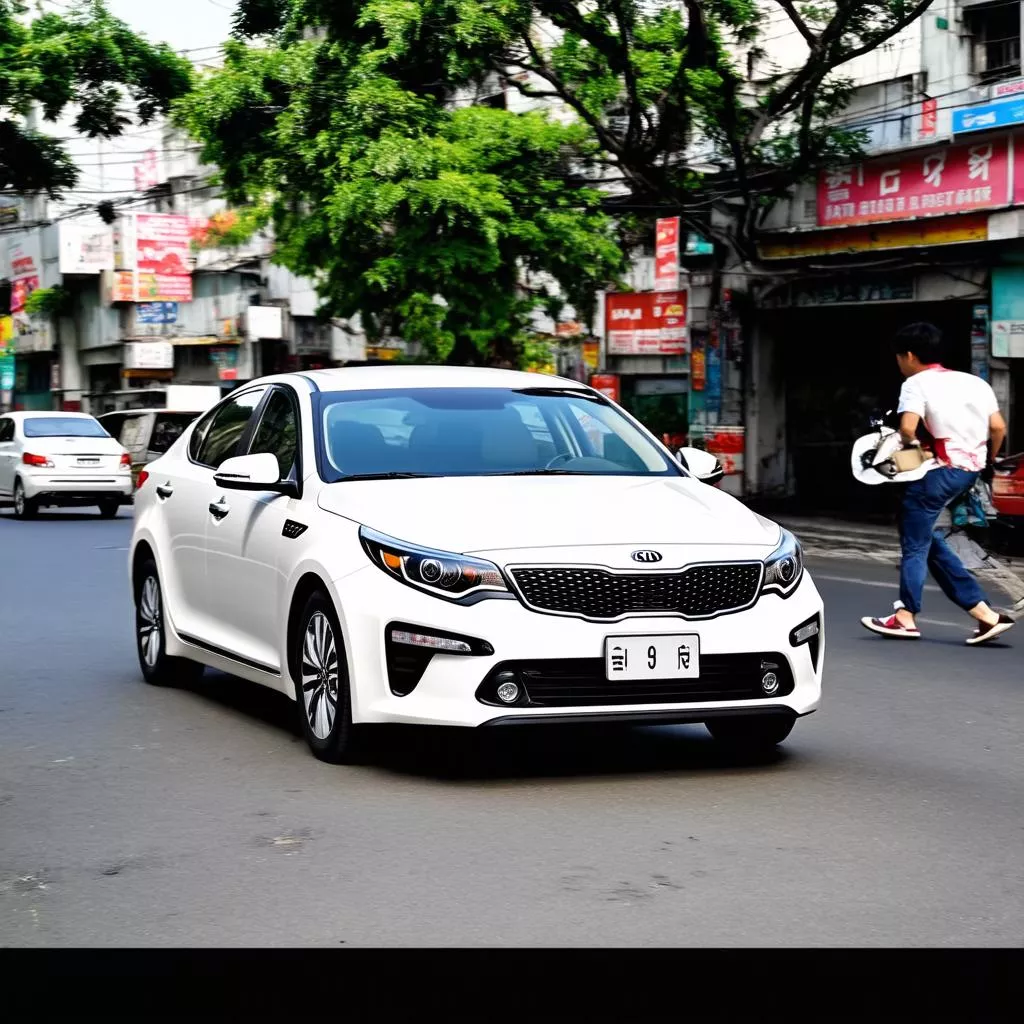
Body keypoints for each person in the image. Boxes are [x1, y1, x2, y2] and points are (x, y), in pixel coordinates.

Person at [861, 322, 1014, 646]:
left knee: (915, 544)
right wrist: (987, 461)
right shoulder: (976, 383)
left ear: (910, 355)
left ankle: (905, 617)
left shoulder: (916, 383)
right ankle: (984, 613)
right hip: (967, 472)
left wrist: (915, 451)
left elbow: (906, 428)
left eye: (899, 358)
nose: (899, 364)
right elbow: (998, 427)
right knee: (927, 541)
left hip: (938, 473)